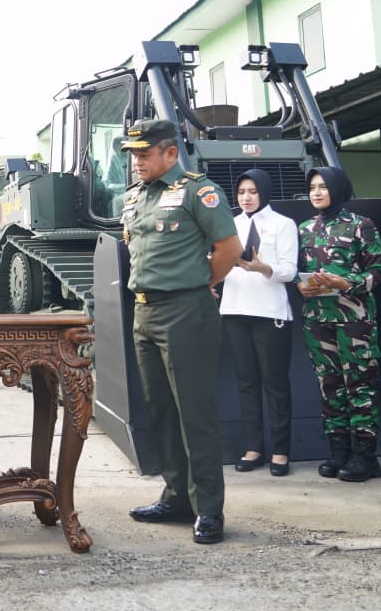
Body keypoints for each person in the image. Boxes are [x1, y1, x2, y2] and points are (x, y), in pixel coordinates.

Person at [119, 119, 240, 545]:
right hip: (144, 313)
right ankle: (176, 498)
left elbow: (229, 249)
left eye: (145, 153)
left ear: (171, 153)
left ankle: (208, 509)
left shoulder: (198, 190)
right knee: (161, 412)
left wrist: (200, 284)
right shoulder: (133, 197)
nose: (137, 161)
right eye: (133, 154)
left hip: (186, 311)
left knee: (195, 414)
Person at [296, 166, 381, 482]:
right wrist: (301, 285)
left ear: (338, 188)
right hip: (318, 320)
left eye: (323, 186)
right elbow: (298, 273)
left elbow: (378, 273)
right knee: (329, 385)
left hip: (355, 321)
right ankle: (339, 452)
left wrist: (345, 282)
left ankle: (366, 457)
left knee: (359, 385)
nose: (317, 192)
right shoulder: (304, 228)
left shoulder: (362, 225)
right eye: (312, 187)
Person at [219, 170, 298, 477]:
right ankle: (254, 447)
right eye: (241, 192)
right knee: (246, 382)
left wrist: (264, 268)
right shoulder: (231, 225)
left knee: (275, 384)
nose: (246, 197)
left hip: (270, 312)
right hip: (236, 310)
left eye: (252, 191)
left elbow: (290, 271)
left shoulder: (282, 224)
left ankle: (280, 450)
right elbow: (222, 265)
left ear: (263, 192)